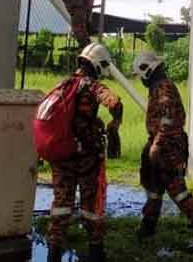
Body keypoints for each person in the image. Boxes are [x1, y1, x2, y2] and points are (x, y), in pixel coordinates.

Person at [132, 51, 193, 252]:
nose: (141, 80)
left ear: (148, 70)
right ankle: (148, 227)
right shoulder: (158, 87)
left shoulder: (164, 88)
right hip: (161, 145)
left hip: (168, 148)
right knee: (154, 187)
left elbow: (169, 119)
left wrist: (157, 144)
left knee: (177, 191)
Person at [47, 43, 123, 262]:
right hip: (86, 157)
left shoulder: (63, 85)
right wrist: (114, 123)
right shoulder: (92, 85)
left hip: (62, 154)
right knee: (91, 204)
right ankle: (96, 252)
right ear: (97, 64)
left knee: (61, 205)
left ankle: (53, 253)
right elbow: (115, 102)